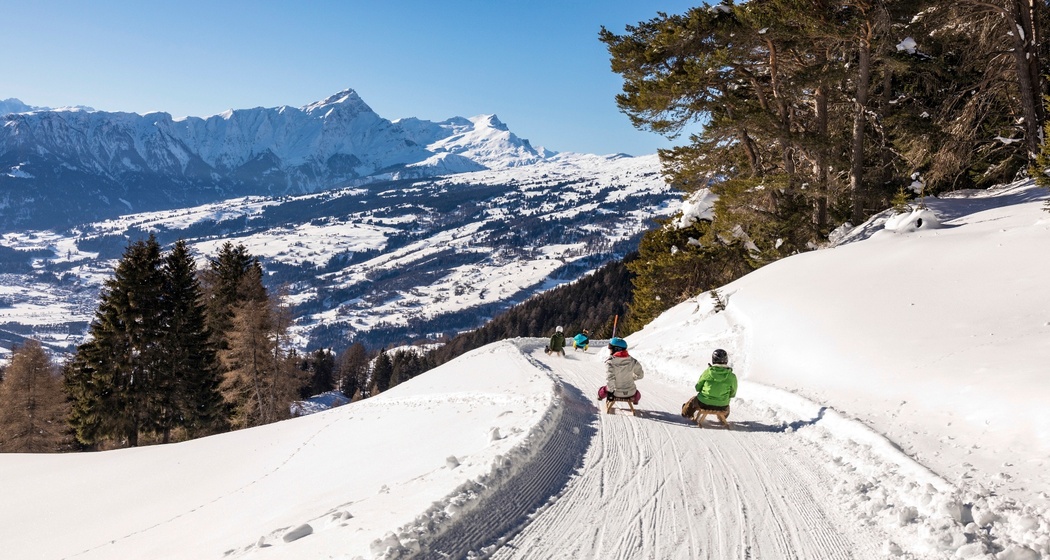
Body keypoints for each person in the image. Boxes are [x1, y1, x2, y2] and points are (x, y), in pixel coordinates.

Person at [682, 348, 738, 419]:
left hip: (704, 403)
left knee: (693, 400)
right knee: (727, 406)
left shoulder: (707, 372)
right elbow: (733, 394)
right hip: (722, 405)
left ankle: (686, 413)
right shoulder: (732, 376)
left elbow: (698, 388)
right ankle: (722, 418)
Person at [599, 337, 644, 404]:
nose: (609, 350)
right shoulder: (633, 361)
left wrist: (610, 392)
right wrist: (631, 378)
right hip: (631, 392)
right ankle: (635, 400)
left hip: (616, 393)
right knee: (637, 394)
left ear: (616, 349)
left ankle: (599, 397)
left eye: (610, 348)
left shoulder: (610, 362)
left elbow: (610, 379)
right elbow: (640, 375)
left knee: (603, 389)